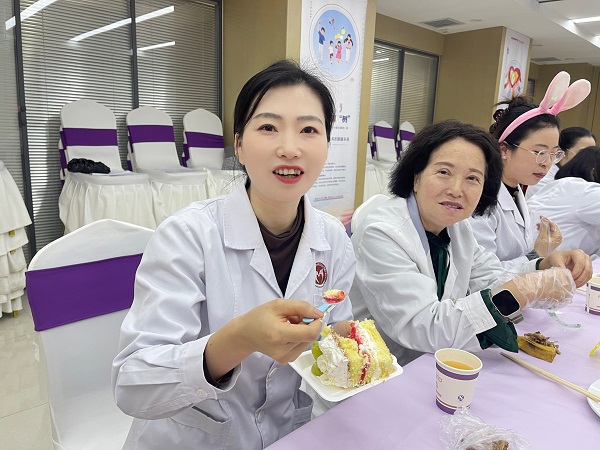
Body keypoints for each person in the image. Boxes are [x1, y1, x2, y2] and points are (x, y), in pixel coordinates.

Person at [112, 60, 356, 449]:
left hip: (286, 433)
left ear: (327, 145)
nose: (289, 148)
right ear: (239, 146)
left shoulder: (335, 240)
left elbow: (334, 333)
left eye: (309, 129)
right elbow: (132, 384)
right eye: (268, 127)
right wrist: (239, 339)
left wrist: (347, 346)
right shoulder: (188, 235)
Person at [350, 120, 591, 366]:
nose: (456, 190)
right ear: (416, 176)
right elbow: (422, 326)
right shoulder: (383, 233)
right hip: (384, 367)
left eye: (472, 178)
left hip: (431, 358)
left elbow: (488, 275)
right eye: (443, 172)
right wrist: (524, 290)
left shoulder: (456, 227)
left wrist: (542, 266)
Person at [469, 71, 591, 271]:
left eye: (554, 154)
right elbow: (479, 275)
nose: (547, 163)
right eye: (540, 152)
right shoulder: (480, 198)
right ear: (504, 150)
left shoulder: (515, 190)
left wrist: (544, 245)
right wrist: (537, 255)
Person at [528, 146, 600, 256]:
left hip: (528, 255)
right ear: (593, 171)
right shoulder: (585, 191)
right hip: (538, 259)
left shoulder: (563, 185)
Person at [525, 126, 596, 199]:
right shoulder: (544, 179)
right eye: (582, 153)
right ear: (561, 153)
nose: (588, 158)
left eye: (592, 154)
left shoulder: (586, 177)